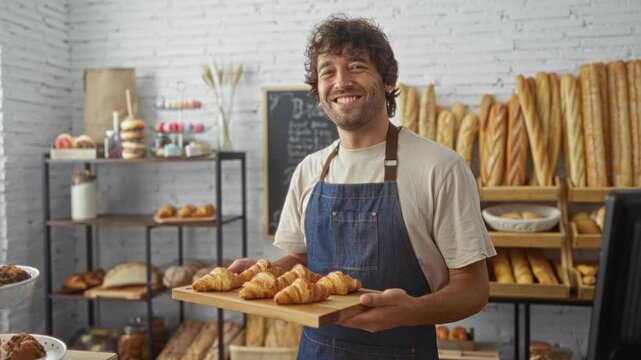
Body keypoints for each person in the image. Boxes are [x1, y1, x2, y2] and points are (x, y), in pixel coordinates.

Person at [229, 14, 496, 359]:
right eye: (328, 71)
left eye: (356, 66)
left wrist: (412, 310)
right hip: (317, 352)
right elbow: (301, 258)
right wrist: (260, 273)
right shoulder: (310, 170)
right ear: (318, 90)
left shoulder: (440, 168)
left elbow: (473, 287)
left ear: (387, 81)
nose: (341, 81)